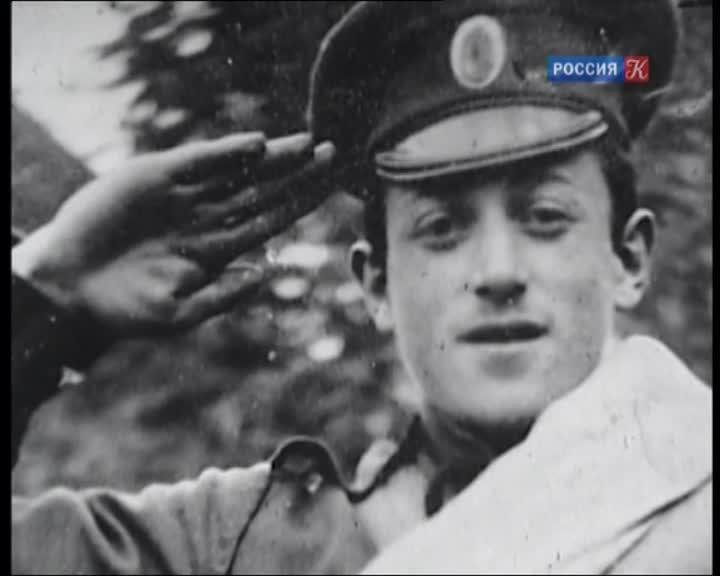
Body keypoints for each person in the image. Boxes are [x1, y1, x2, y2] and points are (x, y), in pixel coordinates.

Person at [11, 1, 711, 574]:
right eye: (442, 228)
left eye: (546, 217)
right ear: (375, 283)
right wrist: (45, 296)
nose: (498, 271)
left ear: (628, 257)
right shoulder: (239, 547)